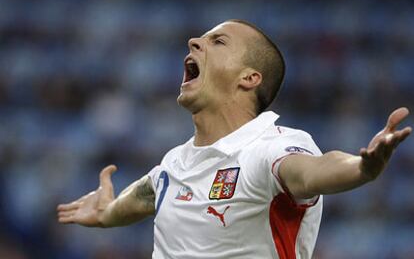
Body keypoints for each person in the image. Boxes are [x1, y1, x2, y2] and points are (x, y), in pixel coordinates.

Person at [57, 20, 412, 259]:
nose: (194, 41)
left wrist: (362, 168)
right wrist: (106, 213)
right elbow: (147, 193)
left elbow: (312, 171)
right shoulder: (174, 163)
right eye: (202, 38)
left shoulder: (269, 148)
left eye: (218, 41)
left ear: (249, 78)